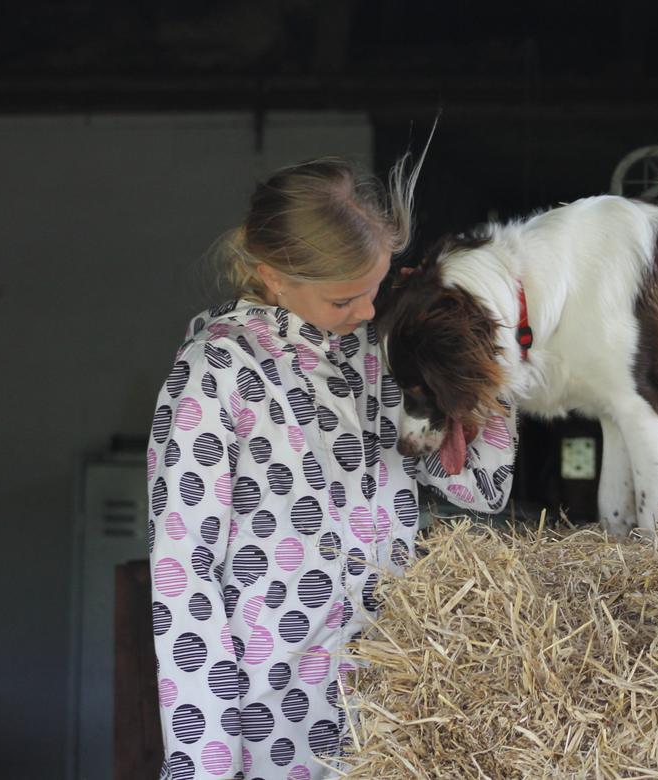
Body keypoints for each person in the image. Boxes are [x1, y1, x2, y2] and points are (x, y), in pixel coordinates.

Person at [147, 152, 517, 779]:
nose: (369, 312)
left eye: (377, 289)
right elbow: (184, 577)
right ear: (274, 277)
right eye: (346, 298)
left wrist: (485, 363)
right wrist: (205, 763)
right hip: (270, 712)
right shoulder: (218, 372)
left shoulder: (380, 356)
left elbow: (482, 486)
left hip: (393, 702)